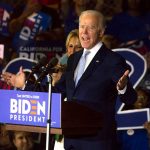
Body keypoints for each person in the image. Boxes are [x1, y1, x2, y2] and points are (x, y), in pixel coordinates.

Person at [53, 10, 137, 150]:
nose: (84, 33)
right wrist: (25, 84)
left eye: (91, 27)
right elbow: (58, 92)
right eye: (81, 26)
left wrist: (122, 87)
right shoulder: (73, 59)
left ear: (101, 32)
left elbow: (131, 98)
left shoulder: (113, 60)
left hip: (97, 142)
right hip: (71, 141)